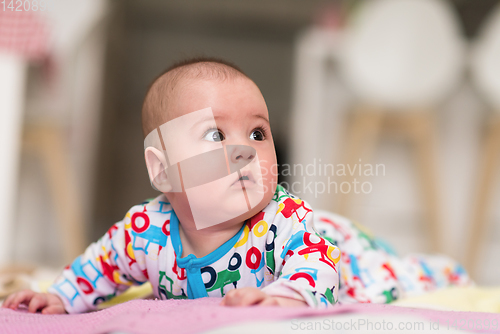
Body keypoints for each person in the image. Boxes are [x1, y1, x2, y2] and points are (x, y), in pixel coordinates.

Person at [2, 58, 470, 314]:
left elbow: (319, 266)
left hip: (339, 249)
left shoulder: (282, 221)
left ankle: (439, 269)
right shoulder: (145, 230)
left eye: (258, 133)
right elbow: (98, 267)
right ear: (162, 171)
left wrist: (284, 294)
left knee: (392, 278)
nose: (244, 150)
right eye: (214, 135)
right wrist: (61, 295)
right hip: (320, 240)